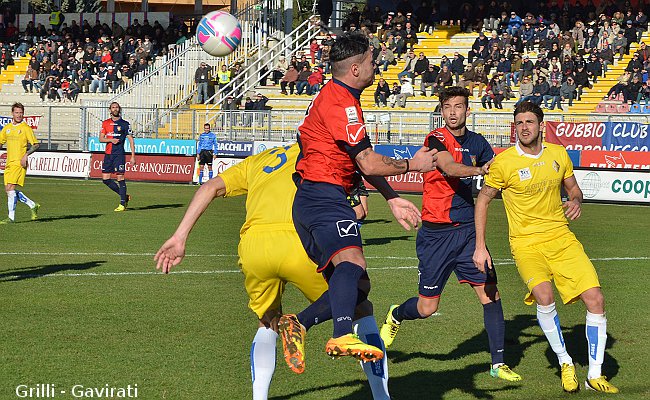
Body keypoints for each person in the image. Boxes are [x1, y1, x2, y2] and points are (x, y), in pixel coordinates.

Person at [155, 143, 391, 400]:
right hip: (300, 241)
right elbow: (365, 178)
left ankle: (259, 397)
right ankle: (381, 396)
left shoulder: (258, 160)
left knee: (268, 320)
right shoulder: (320, 153)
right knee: (359, 306)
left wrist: (180, 237)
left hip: (255, 246)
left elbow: (209, 187)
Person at [277, 31, 437, 371]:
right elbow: (366, 162)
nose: (376, 67)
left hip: (317, 198)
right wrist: (413, 164)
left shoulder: (340, 96)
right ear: (354, 69)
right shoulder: (341, 102)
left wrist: (392, 198)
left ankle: (299, 323)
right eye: (371, 61)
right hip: (322, 196)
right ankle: (341, 334)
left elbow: (357, 158)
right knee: (352, 265)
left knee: (357, 287)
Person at [473, 101, 619, 394]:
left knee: (596, 299)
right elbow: (483, 200)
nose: (523, 128)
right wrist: (480, 246)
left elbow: (574, 189)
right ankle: (565, 362)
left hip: (562, 239)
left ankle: (594, 373)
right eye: (519, 123)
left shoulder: (558, 154)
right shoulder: (504, 162)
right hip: (526, 244)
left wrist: (576, 201)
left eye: (529, 122)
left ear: (541, 125)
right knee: (544, 295)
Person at [379, 87, 521, 382]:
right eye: (448, 107)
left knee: (490, 293)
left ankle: (498, 363)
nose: (453, 112)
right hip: (436, 235)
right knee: (427, 307)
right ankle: (396, 314)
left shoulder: (479, 142)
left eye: (459, 106)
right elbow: (449, 167)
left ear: (468, 110)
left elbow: (495, 171)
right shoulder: (436, 139)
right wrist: (480, 168)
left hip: (468, 232)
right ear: (441, 111)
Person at [0, 103, 40, 223]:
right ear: (12, 113)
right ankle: (32, 204)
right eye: (16, 112)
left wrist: (26, 155)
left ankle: (11, 218)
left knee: (10, 188)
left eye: (21, 113)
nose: (19, 115)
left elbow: (36, 144)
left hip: (19, 163)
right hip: (9, 163)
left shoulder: (26, 128)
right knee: (8, 190)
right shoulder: (7, 128)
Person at [99, 102, 135, 212]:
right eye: (113, 107)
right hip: (108, 154)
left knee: (120, 178)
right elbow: (101, 139)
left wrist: (133, 156)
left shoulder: (125, 124)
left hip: (119, 154)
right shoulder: (105, 123)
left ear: (119, 109)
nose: (115, 109)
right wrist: (111, 140)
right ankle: (125, 196)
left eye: (117, 107)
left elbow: (131, 140)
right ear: (110, 110)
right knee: (105, 179)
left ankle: (122, 204)